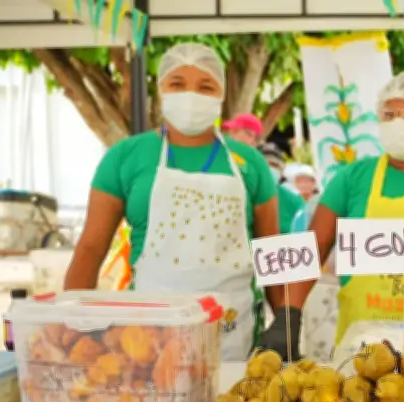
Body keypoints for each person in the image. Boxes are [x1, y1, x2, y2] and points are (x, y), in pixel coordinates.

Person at [65, 43, 282, 360]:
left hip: (233, 336)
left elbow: (272, 250)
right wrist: (70, 325)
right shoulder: (125, 157)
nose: (191, 95)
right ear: (161, 89)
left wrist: (288, 320)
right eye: (177, 84)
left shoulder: (250, 163)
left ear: (220, 96)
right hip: (146, 338)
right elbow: (91, 247)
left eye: (205, 86)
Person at [258, 72, 404, 358]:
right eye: (389, 114)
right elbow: (313, 247)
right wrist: (288, 316)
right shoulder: (352, 179)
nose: (399, 123)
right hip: (361, 352)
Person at [259, 143, 305, 234]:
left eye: (275, 165)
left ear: (281, 171)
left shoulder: (293, 201)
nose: (270, 168)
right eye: (266, 164)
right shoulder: (246, 196)